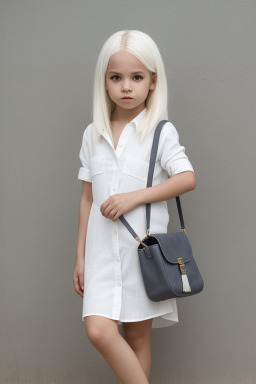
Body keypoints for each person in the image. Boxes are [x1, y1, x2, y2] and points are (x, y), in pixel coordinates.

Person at [73, 30, 196, 384]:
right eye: (116, 77)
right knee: (99, 330)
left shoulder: (160, 131)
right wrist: (79, 257)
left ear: (153, 82)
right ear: (105, 82)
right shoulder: (91, 134)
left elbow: (187, 178)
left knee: (138, 336)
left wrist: (134, 196)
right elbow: (86, 198)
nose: (126, 86)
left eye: (136, 77)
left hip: (142, 253)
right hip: (99, 255)